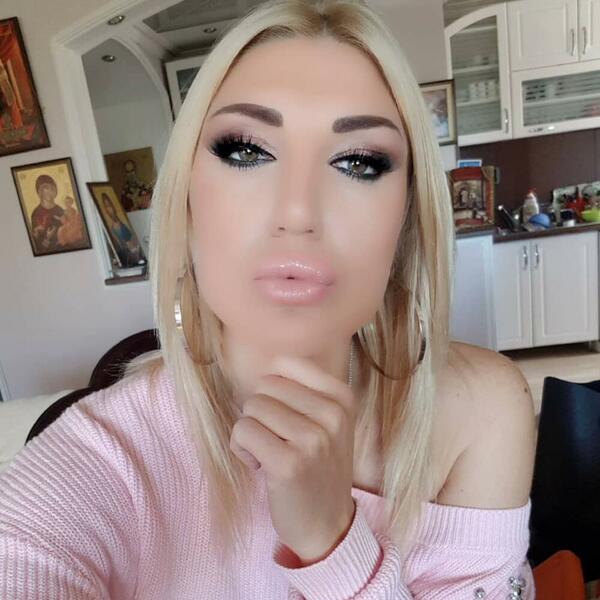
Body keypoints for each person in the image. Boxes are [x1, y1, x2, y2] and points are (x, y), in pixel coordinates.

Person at [0, 0, 537, 598]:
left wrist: (333, 542)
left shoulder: (481, 409)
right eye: (245, 151)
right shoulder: (87, 467)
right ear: (187, 199)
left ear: (407, 215)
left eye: (359, 162)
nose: (298, 211)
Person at [100, 191, 143, 266]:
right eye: (107, 206)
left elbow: (134, 239)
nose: (110, 208)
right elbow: (122, 247)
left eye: (110, 205)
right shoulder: (112, 230)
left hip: (138, 254)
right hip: (129, 259)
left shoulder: (124, 222)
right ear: (106, 211)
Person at [30, 174, 65, 252]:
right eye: (46, 188)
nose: (50, 191)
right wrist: (47, 237)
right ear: (40, 191)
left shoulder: (60, 210)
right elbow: (36, 244)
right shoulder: (36, 213)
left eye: (52, 188)